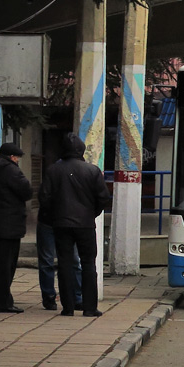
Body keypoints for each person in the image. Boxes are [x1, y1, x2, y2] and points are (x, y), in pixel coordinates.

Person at [39, 134, 111, 317]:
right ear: (82, 150)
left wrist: (55, 216)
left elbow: (44, 198)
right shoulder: (92, 171)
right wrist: (91, 213)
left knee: (64, 264)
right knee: (88, 264)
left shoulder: (52, 170)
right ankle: (89, 307)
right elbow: (103, 198)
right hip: (85, 224)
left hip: (61, 224)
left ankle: (68, 307)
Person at [0, 141, 32, 313]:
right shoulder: (11, 170)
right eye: (17, 158)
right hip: (9, 225)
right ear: (12, 157)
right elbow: (27, 191)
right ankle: (3, 302)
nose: (17, 161)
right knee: (6, 265)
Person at [36, 136, 82, 311]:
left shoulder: (52, 170)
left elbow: (43, 196)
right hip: (70, 222)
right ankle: (76, 297)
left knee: (47, 260)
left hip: (49, 220)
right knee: (73, 260)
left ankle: (49, 297)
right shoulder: (86, 170)